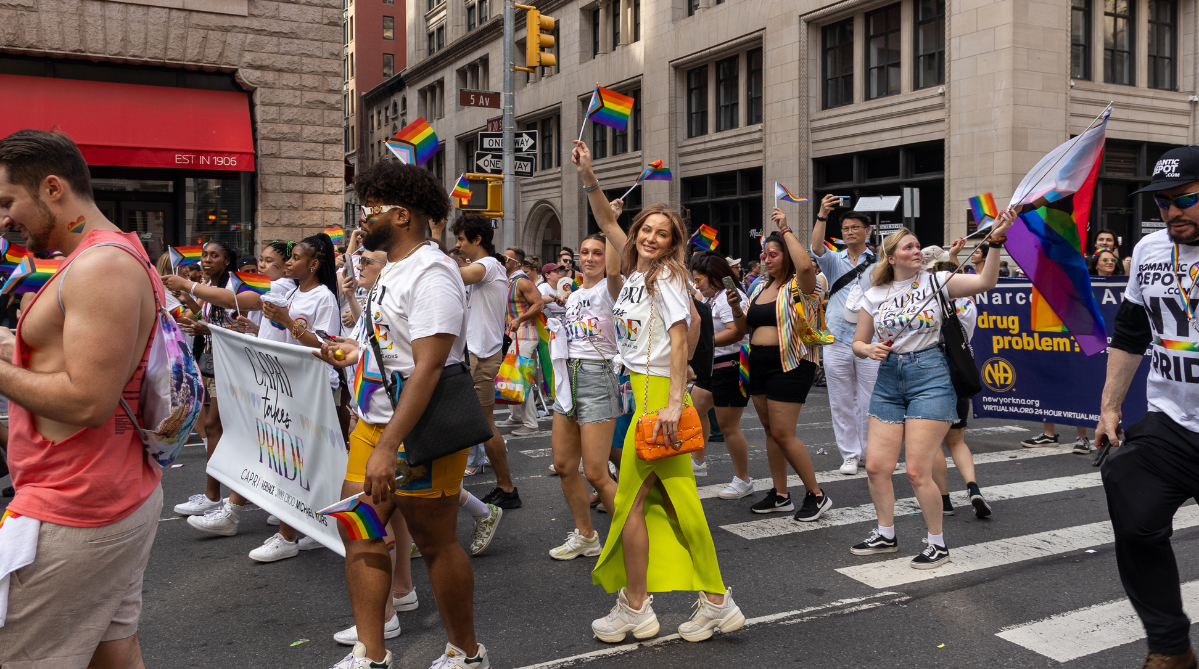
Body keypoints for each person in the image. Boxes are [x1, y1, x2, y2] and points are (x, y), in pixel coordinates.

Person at [316, 160, 490, 669]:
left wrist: (390, 445)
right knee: (362, 530)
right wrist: (349, 350)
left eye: (371, 208)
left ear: (402, 215)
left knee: (436, 543)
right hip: (373, 422)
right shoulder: (392, 267)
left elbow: (430, 367)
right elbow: (392, 347)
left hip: (420, 431)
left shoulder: (434, 273)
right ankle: (371, 654)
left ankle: (466, 653)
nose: (363, 218)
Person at [0, 130, 164, 668]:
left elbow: (89, 399)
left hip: (75, 508)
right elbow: (76, 358)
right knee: (112, 654)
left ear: (52, 188)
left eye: (8, 202)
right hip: (106, 493)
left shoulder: (102, 267)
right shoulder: (104, 258)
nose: (4, 220)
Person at [574, 139, 744, 644]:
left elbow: (678, 337)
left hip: (656, 395)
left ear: (673, 243)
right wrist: (588, 174)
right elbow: (608, 221)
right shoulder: (636, 270)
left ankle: (651, 606)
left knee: (636, 502)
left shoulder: (665, 276)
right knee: (665, 504)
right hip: (643, 390)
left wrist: (674, 400)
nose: (649, 237)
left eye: (660, 233)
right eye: (645, 229)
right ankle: (693, 602)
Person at [849, 212, 1013, 570]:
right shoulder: (874, 293)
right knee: (876, 467)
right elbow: (858, 343)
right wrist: (869, 350)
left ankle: (936, 542)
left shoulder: (938, 280)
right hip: (889, 378)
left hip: (931, 375)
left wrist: (996, 242)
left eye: (918, 246)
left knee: (916, 471)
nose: (917, 250)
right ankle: (885, 533)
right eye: (908, 247)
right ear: (891, 257)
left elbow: (986, 281)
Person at [1097, 147, 1199, 669]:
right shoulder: (1153, 251)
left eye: (1185, 199)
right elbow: (1132, 332)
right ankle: (1170, 646)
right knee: (1127, 488)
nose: (1172, 212)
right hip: (1174, 423)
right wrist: (1110, 406)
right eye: (1162, 202)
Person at [744, 209, 832, 520]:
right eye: (763, 255)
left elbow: (806, 263)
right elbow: (748, 326)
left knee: (783, 432)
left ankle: (817, 494)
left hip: (791, 362)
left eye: (773, 254)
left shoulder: (802, 284)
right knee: (770, 431)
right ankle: (781, 494)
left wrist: (786, 229)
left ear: (786, 256)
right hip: (759, 362)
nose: (766, 259)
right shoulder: (758, 287)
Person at [547, 232, 624, 559]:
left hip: (597, 375)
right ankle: (586, 535)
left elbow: (616, 272)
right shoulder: (576, 294)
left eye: (598, 252)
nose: (590, 257)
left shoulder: (613, 289)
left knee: (596, 471)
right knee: (564, 465)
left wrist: (611, 225)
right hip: (568, 377)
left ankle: (634, 537)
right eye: (585, 252)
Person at [453, 215, 524, 507]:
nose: (457, 246)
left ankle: (507, 488)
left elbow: (458, 275)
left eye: (460, 239)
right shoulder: (480, 267)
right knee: (477, 423)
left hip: (484, 355)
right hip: (474, 355)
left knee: (486, 424)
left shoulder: (491, 266)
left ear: (477, 240)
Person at [921, 245, 993, 519]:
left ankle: (944, 500)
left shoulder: (926, 301)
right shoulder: (966, 303)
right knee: (958, 439)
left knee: (933, 443)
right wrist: (951, 259)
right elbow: (951, 274)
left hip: (934, 372)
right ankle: (973, 487)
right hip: (960, 372)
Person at [811, 198, 879, 476]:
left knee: (870, 399)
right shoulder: (833, 260)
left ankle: (870, 452)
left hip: (870, 340)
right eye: (846, 228)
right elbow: (816, 248)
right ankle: (850, 454)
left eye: (856, 227)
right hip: (836, 338)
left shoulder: (879, 263)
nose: (850, 232)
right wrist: (822, 215)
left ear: (868, 230)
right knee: (840, 400)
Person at [687, 252, 754, 500]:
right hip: (713, 365)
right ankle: (698, 461)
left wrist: (704, 343)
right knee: (695, 410)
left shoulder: (729, 298)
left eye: (699, 279)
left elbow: (736, 332)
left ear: (714, 276)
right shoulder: (714, 297)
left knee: (728, 426)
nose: (696, 284)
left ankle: (744, 479)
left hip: (733, 365)